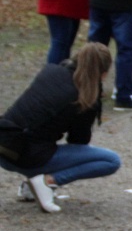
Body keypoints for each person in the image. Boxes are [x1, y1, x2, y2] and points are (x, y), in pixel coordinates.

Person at [0, 43, 121, 213]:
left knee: (38, 140)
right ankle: (48, 182)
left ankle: (30, 187)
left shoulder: (50, 71)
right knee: (111, 161)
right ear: (104, 73)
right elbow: (79, 141)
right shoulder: (85, 97)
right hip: (28, 157)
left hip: (5, 148)